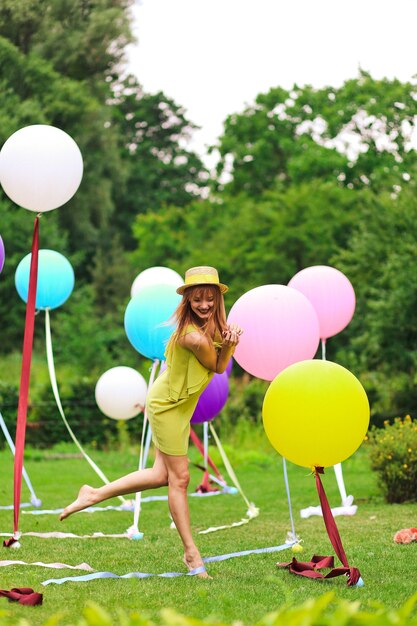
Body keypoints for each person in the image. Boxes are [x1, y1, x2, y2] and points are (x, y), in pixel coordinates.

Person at [60, 266, 242, 579]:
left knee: (161, 475)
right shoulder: (193, 336)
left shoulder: (211, 327)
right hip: (167, 405)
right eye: (197, 299)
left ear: (216, 300)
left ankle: (93, 494)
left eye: (209, 298)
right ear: (187, 301)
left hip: (181, 404)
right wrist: (231, 344)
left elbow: (220, 363)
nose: (204, 304)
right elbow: (218, 367)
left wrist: (228, 340)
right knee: (180, 478)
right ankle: (191, 552)